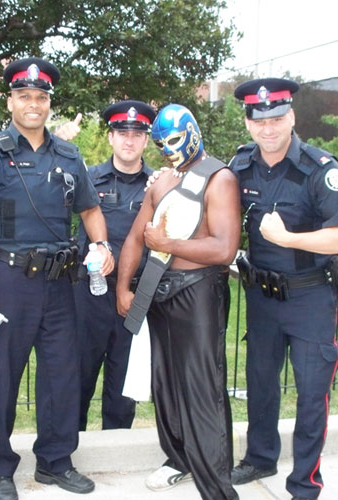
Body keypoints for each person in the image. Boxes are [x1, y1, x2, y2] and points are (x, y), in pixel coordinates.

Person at [0, 57, 113, 500]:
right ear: (11, 101)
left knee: (62, 376)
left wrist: (102, 246)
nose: (33, 104)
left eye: (41, 97)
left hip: (61, 284)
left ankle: (55, 463)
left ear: (49, 103)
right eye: (24, 96)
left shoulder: (68, 154)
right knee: (1, 376)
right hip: (7, 282)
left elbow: (91, 210)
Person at [229, 78, 338, 500]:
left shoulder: (319, 169)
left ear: (292, 118)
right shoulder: (241, 165)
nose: (267, 128)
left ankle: (305, 481)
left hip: (310, 297)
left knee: (310, 392)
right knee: (261, 382)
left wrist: (290, 240)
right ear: (248, 123)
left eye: (276, 118)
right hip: (262, 296)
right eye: (258, 119)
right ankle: (261, 457)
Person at [117, 103, 240, 500]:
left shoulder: (219, 179)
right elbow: (137, 237)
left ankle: (218, 488)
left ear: (193, 132)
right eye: (160, 143)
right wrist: (123, 288)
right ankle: (179, 460)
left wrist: (167, 243)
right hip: (159, 291)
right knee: (166, 385)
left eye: (174, 140)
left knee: (202, 390)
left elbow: (224, 248)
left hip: (200, 291)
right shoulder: (162, 181)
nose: (168, 149)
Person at [74, 100, 156, 431]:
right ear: (110, 137)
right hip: (89, 295)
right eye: (122, 132)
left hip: (135, 295)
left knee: (123, 387)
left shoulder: (159, 185)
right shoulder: (88, 179)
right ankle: (68, 453)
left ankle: (116, 449)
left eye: (137, 134)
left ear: (146, 141)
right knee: (78, 377)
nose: (129, 140)